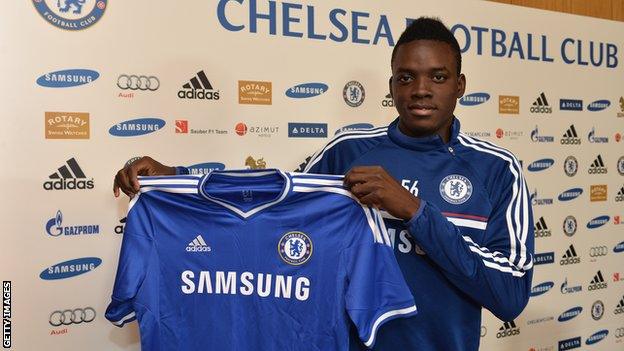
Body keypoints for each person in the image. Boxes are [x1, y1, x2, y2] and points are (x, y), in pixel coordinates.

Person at [114, 17, 534, 351]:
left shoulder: (496, 168)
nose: (421, 90)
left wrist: (415, 212)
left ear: (460, 85)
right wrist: (177, 181)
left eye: (438, 77)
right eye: (405, 78)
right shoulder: (349, 150)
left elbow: (509, 295)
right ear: (391, 87)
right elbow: (271, 205)